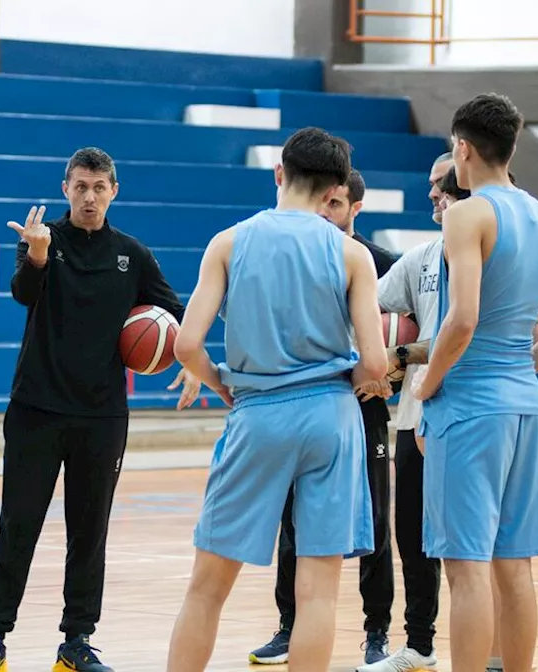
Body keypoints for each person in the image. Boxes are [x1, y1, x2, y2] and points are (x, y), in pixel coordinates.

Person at [0, 147, 199, 672]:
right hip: (36, 409)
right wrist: (39, 255)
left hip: (102, 415)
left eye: (99, 187)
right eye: (80, 187)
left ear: (114, 190)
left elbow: (178, 314)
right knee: (17, 524)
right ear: (65, 189)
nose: (89, 197)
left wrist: (194, 360)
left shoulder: (132, 254)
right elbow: (23, 293)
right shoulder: (43, 240)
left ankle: (76, 641)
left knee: (89, 532)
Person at [165, 126, 383, 672]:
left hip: (258, 410)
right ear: (336, 193)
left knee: (206, 589)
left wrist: (219, 380)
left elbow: (186, 344)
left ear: (279, 174)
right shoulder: (353, 255)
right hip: (331, 416)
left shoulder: (229, 242)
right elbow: (376, 364)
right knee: (318, 594)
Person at [412, 93, 538, 672]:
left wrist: (426, 386)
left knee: (465, 568)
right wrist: (520, 369)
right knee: (515, 566)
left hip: (468, 406)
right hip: (523, 405)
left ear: (463, 148)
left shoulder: (467, 215)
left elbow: (461, 320)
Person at [248, 167, 399, 667]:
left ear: (355, 207)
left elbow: (403, 342)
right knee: (294, 525)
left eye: (337, 205)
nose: (326, 211)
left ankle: (376, 632)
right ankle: (289, 626)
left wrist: (392, 369)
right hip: (316, 409)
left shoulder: (379, 264)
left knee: (375, 524)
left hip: (366, 413)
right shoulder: (305, 257)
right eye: (324, 203)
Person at [354, 153, 454, 672]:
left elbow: (480, 334)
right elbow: (369, 306)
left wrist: (401, 356)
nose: (433, 195)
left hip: (467, 415)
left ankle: (495, 651)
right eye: (431, 186)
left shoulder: (493, 255)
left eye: (440, 185)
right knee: (412, 540)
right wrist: (378, 359)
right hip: (415, 415)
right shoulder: (420, 258)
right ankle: (419, 646)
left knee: (468, 547)